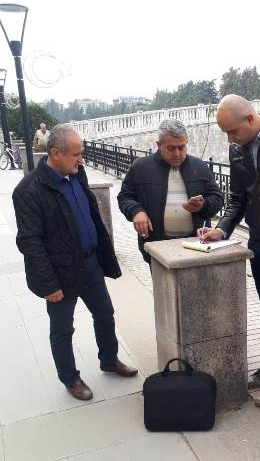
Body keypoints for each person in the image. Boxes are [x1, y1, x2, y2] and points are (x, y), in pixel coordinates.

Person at [12, 124, 137, 401]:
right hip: (59, 273)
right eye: (76, 154)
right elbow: (30, 242)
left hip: (90, 264)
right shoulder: (28, 190)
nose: (81, 160)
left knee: (105, 314)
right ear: (55, 153)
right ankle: (70, 378)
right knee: (62, 329)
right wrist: (48, 284)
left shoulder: (76, 174)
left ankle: (109, 359)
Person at [200, 94, 260, 407]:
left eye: (232, 131)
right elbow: (238, 198)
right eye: (226, 134)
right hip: (259, 241)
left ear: (249, 118)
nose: (230, 139)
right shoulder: (237, 150)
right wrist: (222, 229)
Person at [117, 119, 224, 263]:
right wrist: (136, 211)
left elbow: (218, 198)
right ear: (158, 145)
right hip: (158, 246)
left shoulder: (199, 166)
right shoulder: (141, 167)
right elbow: (124, 196)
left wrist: (203, 205)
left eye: (182, 147)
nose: (177, 154)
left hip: (196, 245)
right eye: (171, 148)